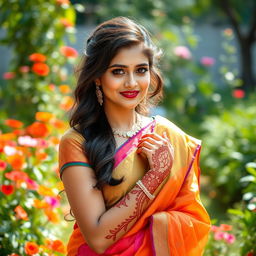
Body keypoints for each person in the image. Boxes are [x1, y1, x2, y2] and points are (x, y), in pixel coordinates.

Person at [58, 16, 211, 256]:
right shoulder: (77, 142)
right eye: (118, 71)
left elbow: (193, 220)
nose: (131, 83)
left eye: (141, 70)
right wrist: (154, 177)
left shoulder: (171, 137)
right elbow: (98, 238)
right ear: (98, 77)